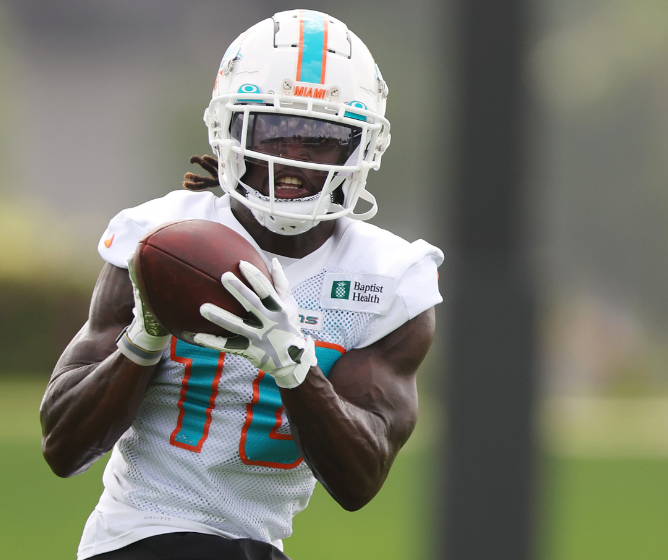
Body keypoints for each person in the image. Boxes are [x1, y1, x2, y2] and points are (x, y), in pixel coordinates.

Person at [39, 9, 444, 560]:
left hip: (258, 545)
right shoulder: (160, 241)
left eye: (321, 136)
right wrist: (143, 338)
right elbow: (63, 446)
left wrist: (293, 365)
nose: (293, 157)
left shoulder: (388, 281)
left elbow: (358, 481)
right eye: (275, 129)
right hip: (140, 533)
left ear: (361, 148)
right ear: (230, 129)